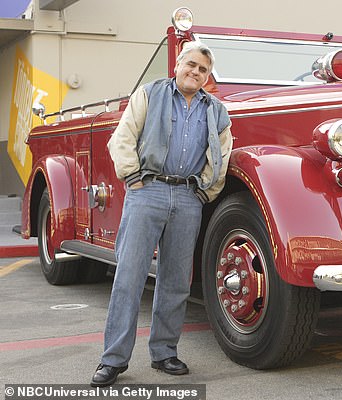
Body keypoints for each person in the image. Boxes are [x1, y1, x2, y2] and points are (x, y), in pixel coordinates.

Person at [91, 41, 232, 387]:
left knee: (175, 281)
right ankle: (113, 360)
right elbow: (122, 137)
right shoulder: (150, 94)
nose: (195, 72)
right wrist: (133, 176)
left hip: (188, 197)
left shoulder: (216, 110)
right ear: (178, 65)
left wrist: (205, 191)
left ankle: (164, 352)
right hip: (147, 191)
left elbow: (223, 153)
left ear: (207, 77)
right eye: (191, 65)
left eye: (203, 70)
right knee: (129, 277)